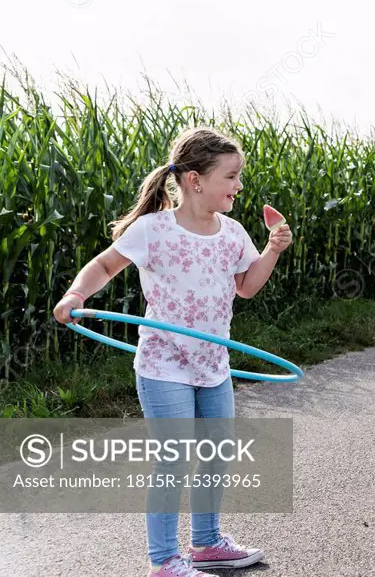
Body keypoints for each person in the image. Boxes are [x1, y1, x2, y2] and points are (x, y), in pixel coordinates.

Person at [53, 127, 293, 576]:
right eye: (232, 176)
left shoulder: (233, 232)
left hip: (213, 364)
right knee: (174, 458)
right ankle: (164, 561)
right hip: (165, 364)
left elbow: (245, 287)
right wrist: (75, 295)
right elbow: (105, 264)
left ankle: (205, 544)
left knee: (217, 453)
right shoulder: (154, 229)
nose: (239, 185)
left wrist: (271, 251)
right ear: (195, 180)